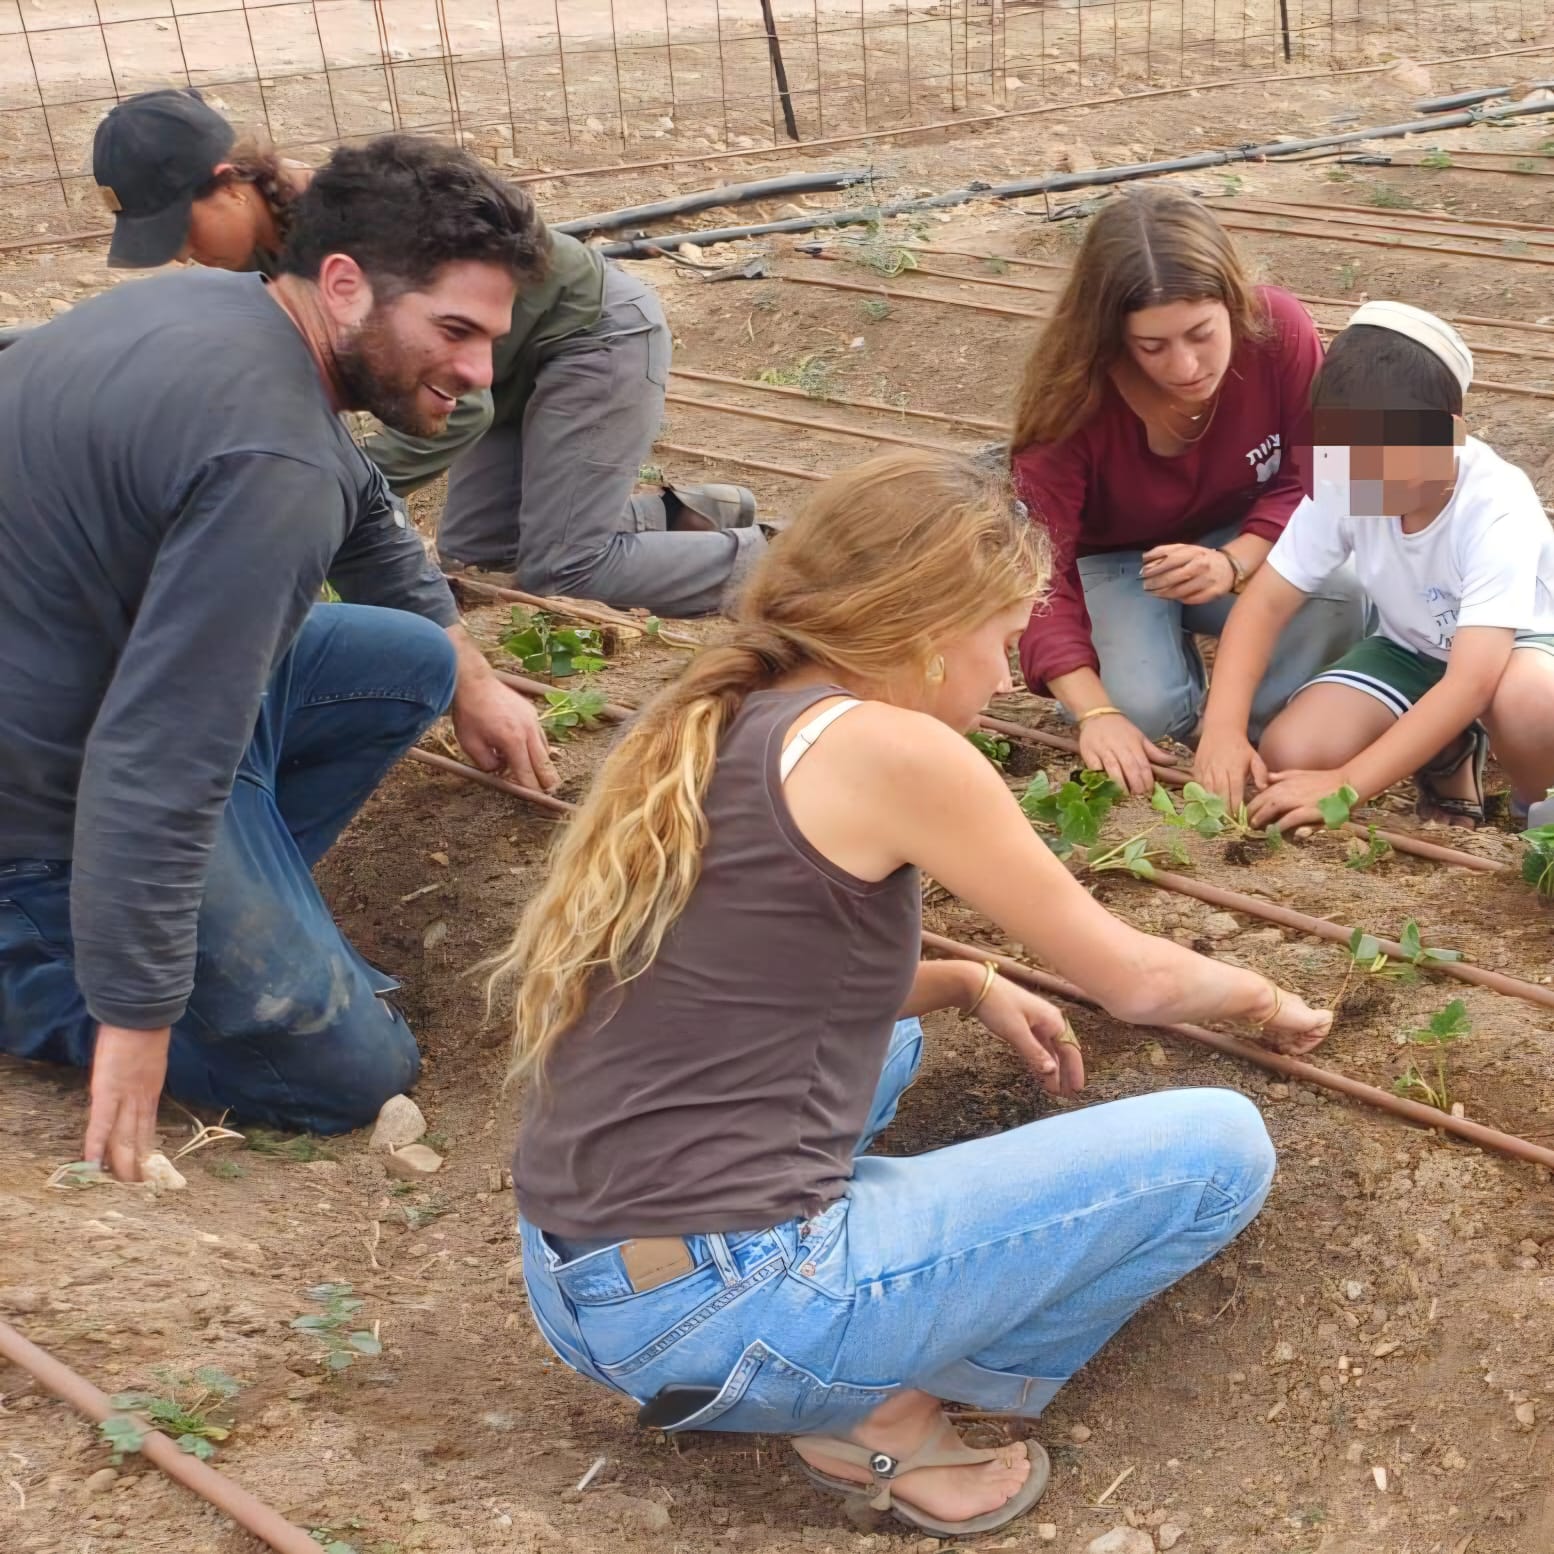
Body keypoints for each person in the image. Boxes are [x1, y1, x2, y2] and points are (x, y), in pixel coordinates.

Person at [492, 449, 1332, 1538]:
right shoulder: (892, 750)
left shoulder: (732, 713)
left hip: (587, 1286)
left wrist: (964, 979)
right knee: (1220, 1146)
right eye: (1003, 637)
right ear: (931, 632)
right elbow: (1131, 981)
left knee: (887, 1047)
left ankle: (825, 1357)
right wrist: (1268, 996)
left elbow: (751, 984)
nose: (1009, 672)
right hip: (725, 1314)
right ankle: (886, 1410)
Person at [0, 135, 560, 1182]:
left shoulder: (230, 317)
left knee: (408, 663)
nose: (480, 371)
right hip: (47, 793)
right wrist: (133, 1016)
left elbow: (370, 513)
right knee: (358, 1073)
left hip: (84, 683)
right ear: (343, 285)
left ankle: (214, 935)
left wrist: (472, 676)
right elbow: (161, 749)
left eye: (491, 337)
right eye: (453, 330)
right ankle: (58, 968)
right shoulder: (271, 462)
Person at [90, 87, 767, 616]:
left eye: (178, 228)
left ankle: (789, 563)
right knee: (481, 551)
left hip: (589, 336)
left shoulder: (338, 238)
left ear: (230, 183)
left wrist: (337, 492)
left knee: (567, 571)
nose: (179, 253)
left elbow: (460, 413)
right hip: (501, 364)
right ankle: (690, 514)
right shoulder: (261, 251)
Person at [1011, 187, 1368, 796]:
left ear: (1233, 302)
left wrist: (1236, 560)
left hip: (1236, 537)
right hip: (1114, 561)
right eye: (1152, 347)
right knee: (1141, 714)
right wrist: (1097, 714)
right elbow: (1041, 570)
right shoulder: (1070, 400)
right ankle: (1187, 729)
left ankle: (1257, 735)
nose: (1184, 366)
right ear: (1112, 337)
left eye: (1201, 333)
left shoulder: (1279, 332)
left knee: (1340, 590)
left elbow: (1319, 479)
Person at [1195, 302, 1554, 831]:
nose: (1371, 481)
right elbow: (1265, 603)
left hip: (1515, 653)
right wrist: (1222, 727)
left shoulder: (1498, 506)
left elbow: (1473, 681)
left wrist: (1345, 786)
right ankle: (1447, 751)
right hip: (1411, 647)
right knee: (1292, 751)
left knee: (1529, 706)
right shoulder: (1346, 476)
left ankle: (1537, 807)